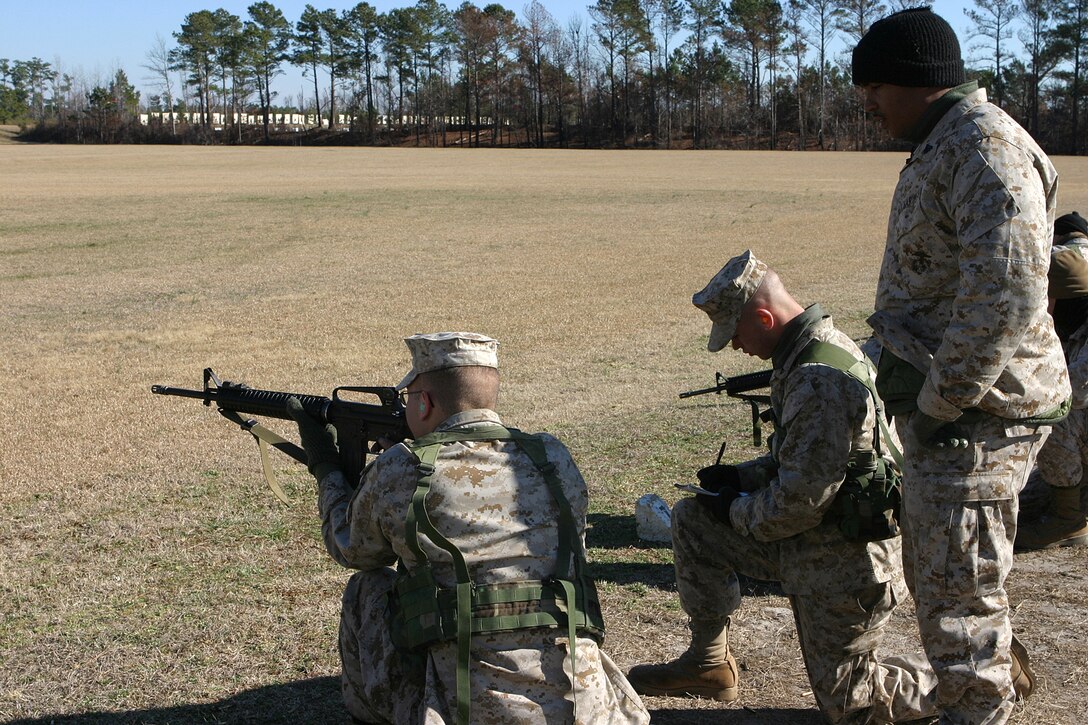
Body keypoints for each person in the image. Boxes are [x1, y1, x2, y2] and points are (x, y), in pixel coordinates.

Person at [853, 7, 1069, 723]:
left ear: (917, 82)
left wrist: (942, 400)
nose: (870, 103)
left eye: (877, 87)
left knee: (958, 593)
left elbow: (1007, 293)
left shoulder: (984, 147)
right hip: (963, 407)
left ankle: (980, 710)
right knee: (949, 580)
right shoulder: (945, 141)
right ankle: (982, 687)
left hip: (979, 414)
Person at [626, 250, 939, 724]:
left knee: (851, 706)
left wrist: (735, 508)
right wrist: (740, 478)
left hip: (845, 562)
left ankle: (972, 676)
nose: (734, 346)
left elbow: (798, 502)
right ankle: (709, 663)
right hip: (816, 541)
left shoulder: (817, 379)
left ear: (765, 317)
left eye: (735, 333)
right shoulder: (812, 351)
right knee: (694, 519)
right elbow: (797, 460)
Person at [287, 331, 649, 725]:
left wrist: (326, 468)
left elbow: (353, 550)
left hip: (463, 711)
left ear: (423, 401)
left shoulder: (401, 468)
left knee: (368, 587)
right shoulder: (552, 455)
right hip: (584, 709)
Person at [1017, 212, 1088, 550]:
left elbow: (1070, 391)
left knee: (1053, 413)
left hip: (1079, 414)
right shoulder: (1073, 325)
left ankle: (1069, 520)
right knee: (1026, 500)